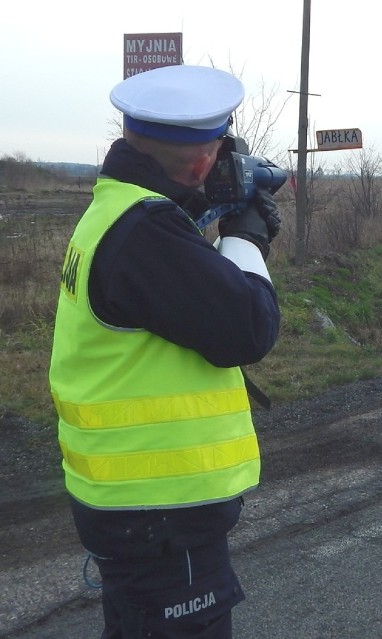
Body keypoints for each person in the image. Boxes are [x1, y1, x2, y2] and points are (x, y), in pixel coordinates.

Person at [48, 64, 282, 638]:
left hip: (134, 503)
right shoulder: (145, 232)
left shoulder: (117, 210)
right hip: (160, 510)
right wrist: (245, 236)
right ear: (204, 162)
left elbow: (174, 295)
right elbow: (249, 328)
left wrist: (210, 219)